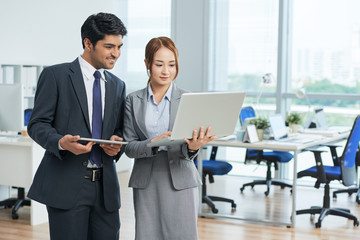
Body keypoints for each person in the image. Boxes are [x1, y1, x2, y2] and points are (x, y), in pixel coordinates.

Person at [27, 13, 127, 240]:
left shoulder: (117, 85)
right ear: (88, 43)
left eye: (119, 46)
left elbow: (119, 130)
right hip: (67, 185)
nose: (116, 53)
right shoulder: (56, 75)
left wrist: (116, 144)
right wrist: (60, 142)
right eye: (109, 46)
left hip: (106, 190)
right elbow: (37, 124)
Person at [123, 36, 216, 240]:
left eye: (171, 65)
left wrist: (194, 147)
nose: (166, 71)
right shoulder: (133, 100)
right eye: (159, 64)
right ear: (147, 64)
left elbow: (189, 148)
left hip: (180, 176)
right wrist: (152, 144)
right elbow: (128, 147)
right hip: (146, 179)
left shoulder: (187, 98)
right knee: (148, 235)